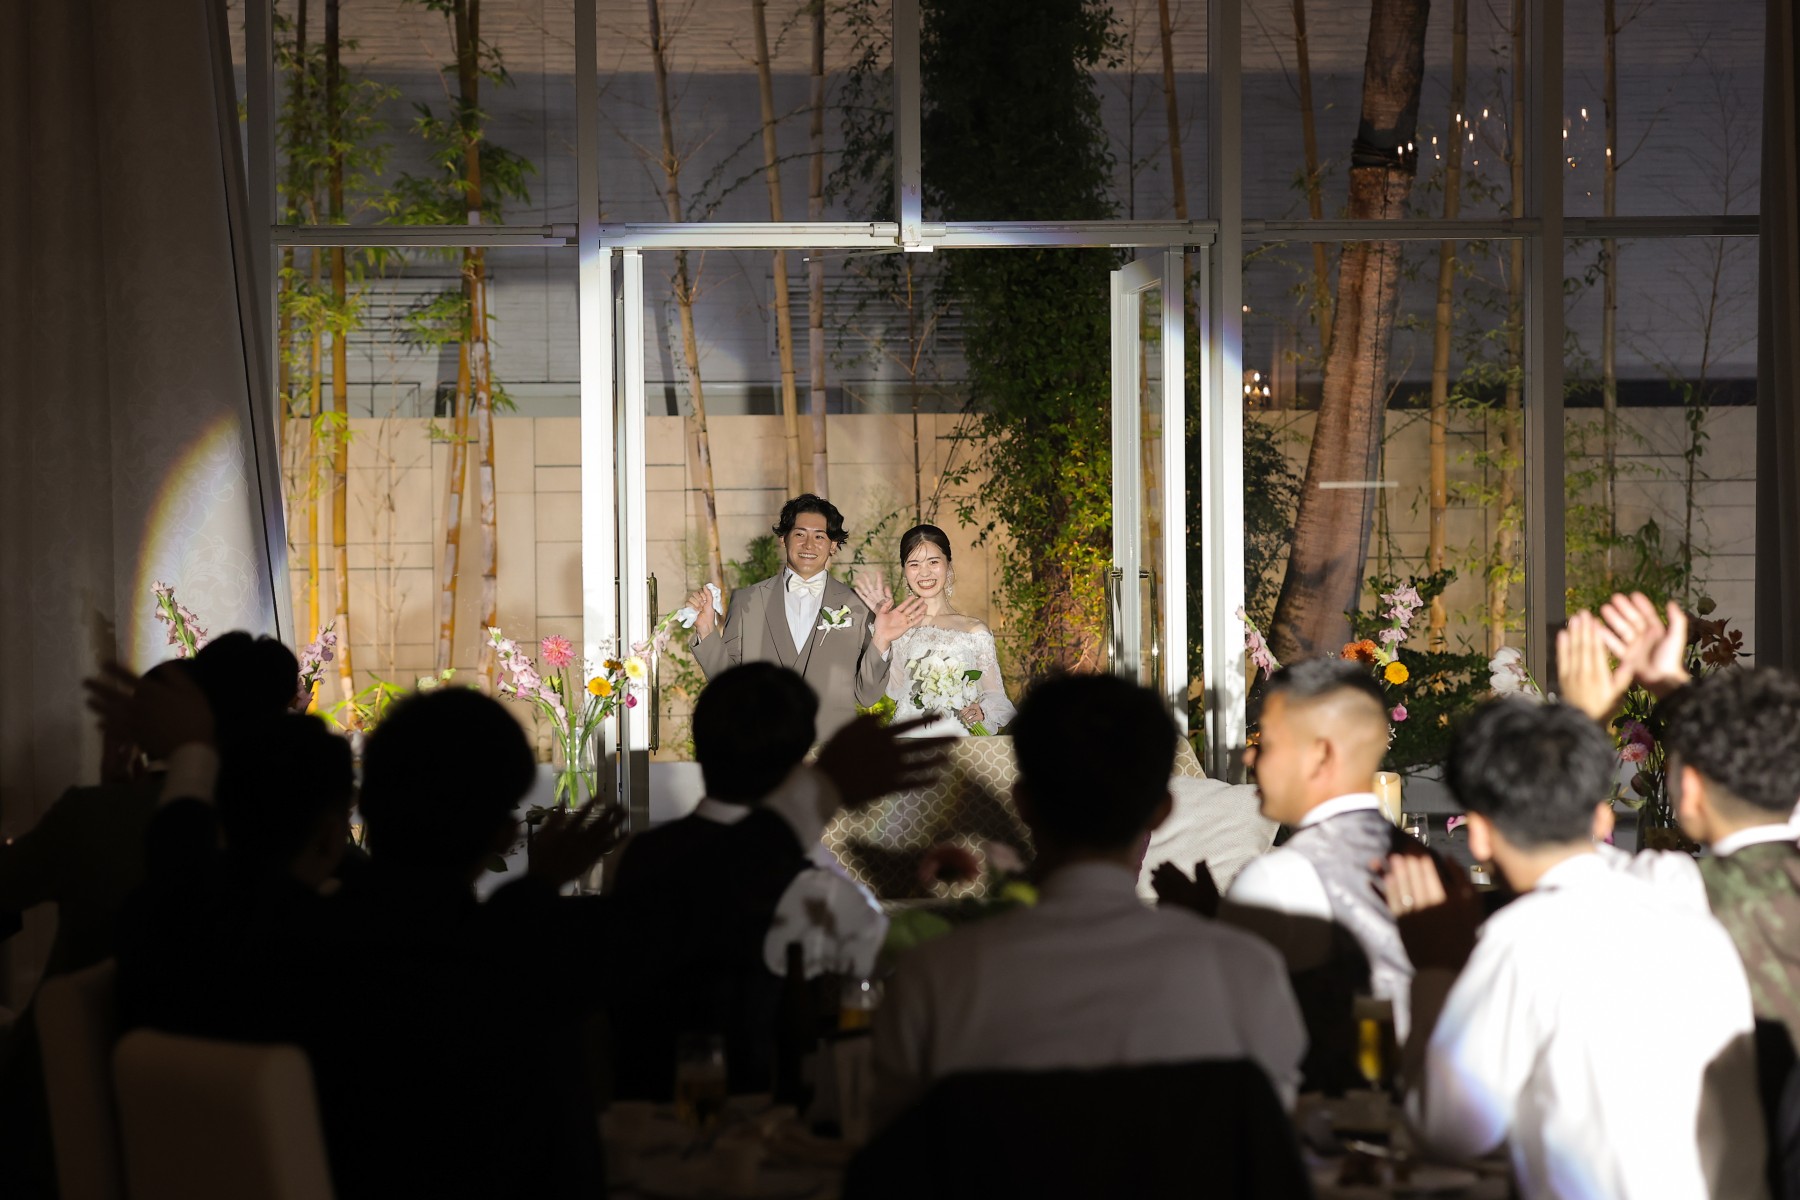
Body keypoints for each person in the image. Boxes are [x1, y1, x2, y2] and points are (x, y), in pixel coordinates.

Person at [870, 673, 1305, 1130]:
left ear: (1023, 803)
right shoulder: (1247, 973)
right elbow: (1270, 1138)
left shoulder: (934, 980)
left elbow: (891, 1143)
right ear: (1162, 811)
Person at [1386, 698, 1767, 1200]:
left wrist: (1434, 969)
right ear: (1601, 817)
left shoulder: (1525, 936)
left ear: (1478, 836)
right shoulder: (1689, 912)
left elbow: (1451, 1131)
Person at [608, 663, 896, 1098]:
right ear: (800, 763)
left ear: (701, 751)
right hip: (752, 1116)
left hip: (634, 1109)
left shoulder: (633, 855)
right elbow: (882, 976)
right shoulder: (817, 890)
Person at [1218, 658, 1419, 1082]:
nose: (1249, 755)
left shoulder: (1277, 880)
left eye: (1265, 741)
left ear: (1322, 754)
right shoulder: (1428, 864)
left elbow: (1231, 1038)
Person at [688, 494, 916, 737]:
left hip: (831, 749)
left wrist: (881, 639)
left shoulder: (857, 606)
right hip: (762, 745)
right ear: (783, 538)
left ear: (833, 545)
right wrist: (706, 630)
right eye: (799, 534)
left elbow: (867, 695)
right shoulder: (747, 600)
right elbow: (729, 685)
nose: (809, 545)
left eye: (819, 536)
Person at [852, 523, 1016, 737]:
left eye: (933, 562)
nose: (924, 572)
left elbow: (997, 698)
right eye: (914, 564)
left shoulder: (974, 630)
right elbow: (893, 689)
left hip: (959, 740)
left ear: (948, 565)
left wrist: (983, 711)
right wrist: (883, 634)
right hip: (909, 738)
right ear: (904, 570)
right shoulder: (899, 627)